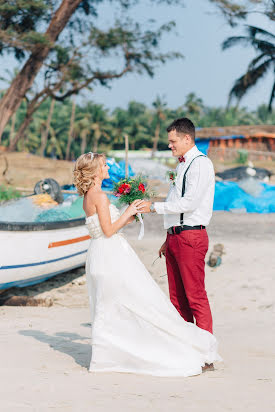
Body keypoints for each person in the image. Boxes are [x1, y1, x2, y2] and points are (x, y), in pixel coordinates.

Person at [73, 151, 221, 377]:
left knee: (113, 304)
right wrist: (130, 211)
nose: (107, 168)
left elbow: (108, 227)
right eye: (103, 165)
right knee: (135, 300)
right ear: (94, 172)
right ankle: (119, 352)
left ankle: (109, 353)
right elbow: (109, 230)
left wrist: (128, 215)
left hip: (100, 253)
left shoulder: (90, 195)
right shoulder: (99, 196)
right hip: (109, 254)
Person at [140, 118, 215, 366]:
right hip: (175, 236)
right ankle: (186, 349)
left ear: (186, 139)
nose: (170, 146)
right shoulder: (181, 165)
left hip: (191, 236)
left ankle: (206, 353)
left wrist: (153, 208)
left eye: (172, 141)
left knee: (195, 297)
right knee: (177, 299)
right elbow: (177, 201)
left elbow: (189, 204)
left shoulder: (201, 164)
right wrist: (167, 236)